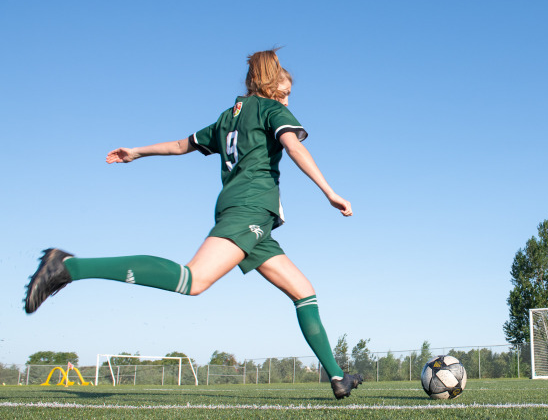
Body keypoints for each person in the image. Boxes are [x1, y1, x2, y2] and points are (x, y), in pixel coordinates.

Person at [24, 49, 363, 399]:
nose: (289, 99)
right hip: (249, 210)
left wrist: (137, 151)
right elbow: (294, 148)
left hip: (247, 216)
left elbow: (180, 144)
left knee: (303, 292)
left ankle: (338, 377)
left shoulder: (226, 119)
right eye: (285, 91)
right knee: (194, 280)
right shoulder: (272, 110)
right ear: (270, 86)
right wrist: (330, 192)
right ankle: (67, 266)